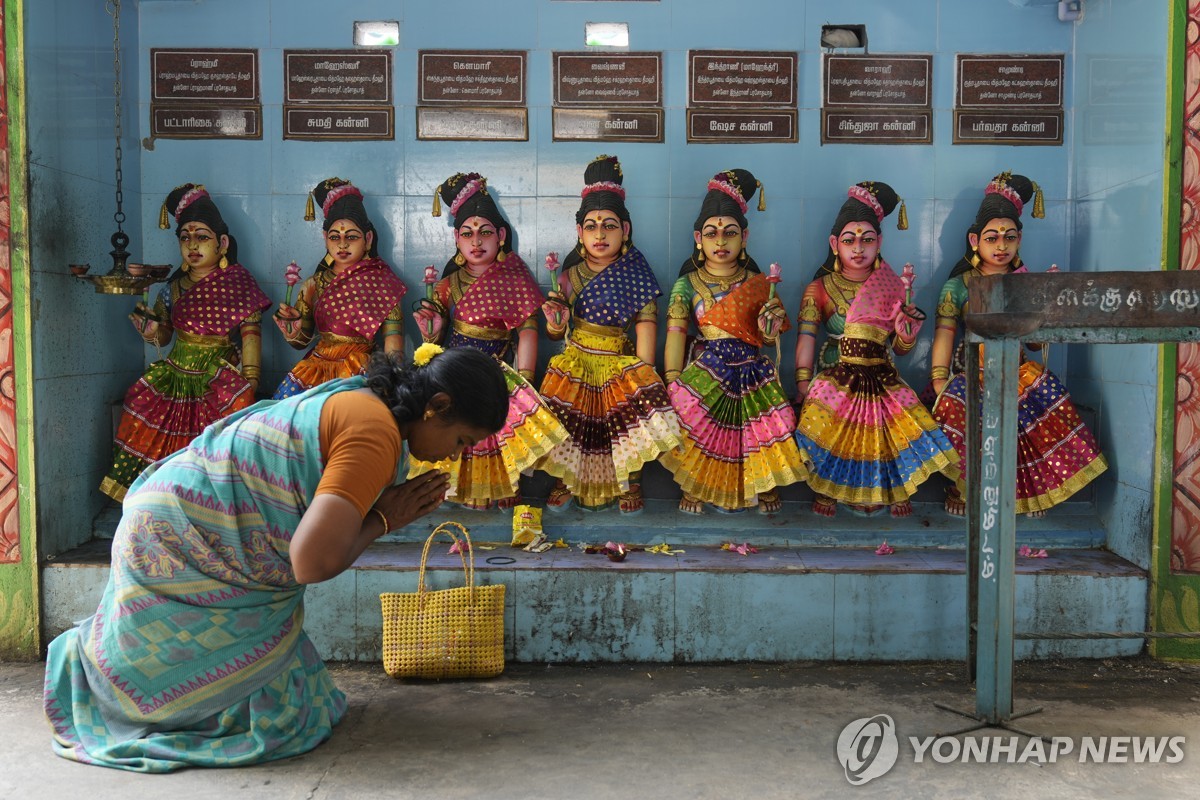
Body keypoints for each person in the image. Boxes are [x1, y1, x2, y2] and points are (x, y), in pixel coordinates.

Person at [45, 344, 509, 772]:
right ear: (438, 406)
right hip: (181, 541)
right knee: (281, 723)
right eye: (463, 442)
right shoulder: (375, 434)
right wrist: (386, 518)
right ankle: (131, 696)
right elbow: (309, 562)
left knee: (306, 702)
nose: (453, 456)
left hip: (170, 510)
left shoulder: (368, 399)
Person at [930, 171, 1107, 517]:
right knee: (953, 410)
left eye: (1009, 238)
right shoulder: (958, 286)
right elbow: (945, 335)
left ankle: (1029, 494)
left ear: (1019, 240)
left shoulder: (1026, 284)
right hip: (971, 373)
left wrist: (1048, 308)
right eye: (992, 237)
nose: (1001, 246)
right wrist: (938, 379)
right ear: (974, 240)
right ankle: (963, 488)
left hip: (1016, 370)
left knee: (1040, 406)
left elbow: (1036, 346)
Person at [794, 180, 958, 518]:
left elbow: (899, 349)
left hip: (881, 373)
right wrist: (801, 385)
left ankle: (892, 490)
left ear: (879, 242)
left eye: (867, 240)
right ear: (834, 244)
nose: (859, 248)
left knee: (892, 429)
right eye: (850, 240)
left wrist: (906, 334)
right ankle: (828, 490)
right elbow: (806, 338)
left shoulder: (893, 286)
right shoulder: (820, 288)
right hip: (835, 374)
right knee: (830, 430)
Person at [99, 183, 272, 502]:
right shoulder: (173, 288)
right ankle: (155, 496)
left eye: (202, 236)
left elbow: (251, 336)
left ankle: (213, 500)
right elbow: (164, 334)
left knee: (226, 423)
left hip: (217, 375)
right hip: (176, 371)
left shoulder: (239, 283)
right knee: (138, 400)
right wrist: (150, 330)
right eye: (185, 237)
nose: (192, 244)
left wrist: (250, 380)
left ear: (222, 243)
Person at [410, 172, 567, 509]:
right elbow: (436, 338)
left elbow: (527, 332)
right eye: (467, 234)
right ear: (456, 238)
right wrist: (431, 331)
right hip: (453, 371)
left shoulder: (515, 278)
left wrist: (524, 379)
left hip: (495, 372)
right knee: (451, 430)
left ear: (501, 236)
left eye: (484, 233)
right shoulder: (447, 284)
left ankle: (499, 492)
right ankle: (455, 493)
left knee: (493, 437)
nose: (476, 242)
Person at [537, 155, 683, 513]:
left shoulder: (637, 274)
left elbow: (647, 326)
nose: (600, 234)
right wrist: (556, 320)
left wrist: (643, 373)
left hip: (619, 361)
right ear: (579, 232)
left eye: (609, 225)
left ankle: (628, 481)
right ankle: (565, 480)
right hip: (577, 360)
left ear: (626, 230)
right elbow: (556, 332)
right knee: (567, 423)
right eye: (591, 226)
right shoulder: (569, 276)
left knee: (626, 426)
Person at [659, 168, 805, 514]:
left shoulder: (757, 282)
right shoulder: (687, 284)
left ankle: (761, 485)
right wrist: (671, 380)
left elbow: (768, 339)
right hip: (708, 369)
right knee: (700, 427)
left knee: (761, 429)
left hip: (753, 370)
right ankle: (698, 485)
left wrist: (769, 325)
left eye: (730, 233)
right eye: (711, 234)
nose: (720, 242)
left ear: (745, 237)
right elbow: (676, 335)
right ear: (698, 238)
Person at [272, 177, 407, 398]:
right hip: (316, 367)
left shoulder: (383, 282)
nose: (342, 244)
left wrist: (393, 380)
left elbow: (393, 340)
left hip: (360, 366)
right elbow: (301, 341)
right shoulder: (313, 283)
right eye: (335, 237)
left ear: (368, 239)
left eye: (351, 237)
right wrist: (293, 330)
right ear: (325, 238)